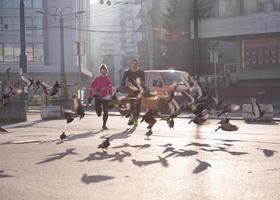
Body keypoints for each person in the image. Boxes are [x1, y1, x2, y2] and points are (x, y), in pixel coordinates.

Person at [121, 58, 145, 127]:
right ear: (131, 64)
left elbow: (143, 83)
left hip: (138, 92)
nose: (134, 65)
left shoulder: (141, 72)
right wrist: (126, 83)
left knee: (137, 107)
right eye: (133, 63)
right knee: (130, 106)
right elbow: (122, 82)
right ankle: (131, 116)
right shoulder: (127, 72)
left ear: (138, 64)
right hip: (130, 92)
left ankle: (136, 120)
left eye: (136, 63)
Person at [88, 64, 112, 130]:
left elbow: (110, 90)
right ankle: (99, 111)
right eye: (102, 71)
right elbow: (91, 88)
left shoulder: (108, 80)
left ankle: (104, 125)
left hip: (105, 98)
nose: (103, 72)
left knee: (106, 111)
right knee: (98, 112)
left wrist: (110, 97)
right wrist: (90, 97)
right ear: (100, 72)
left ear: (106, 72)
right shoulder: (97, 79)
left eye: (104, 71)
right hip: (98, 97)